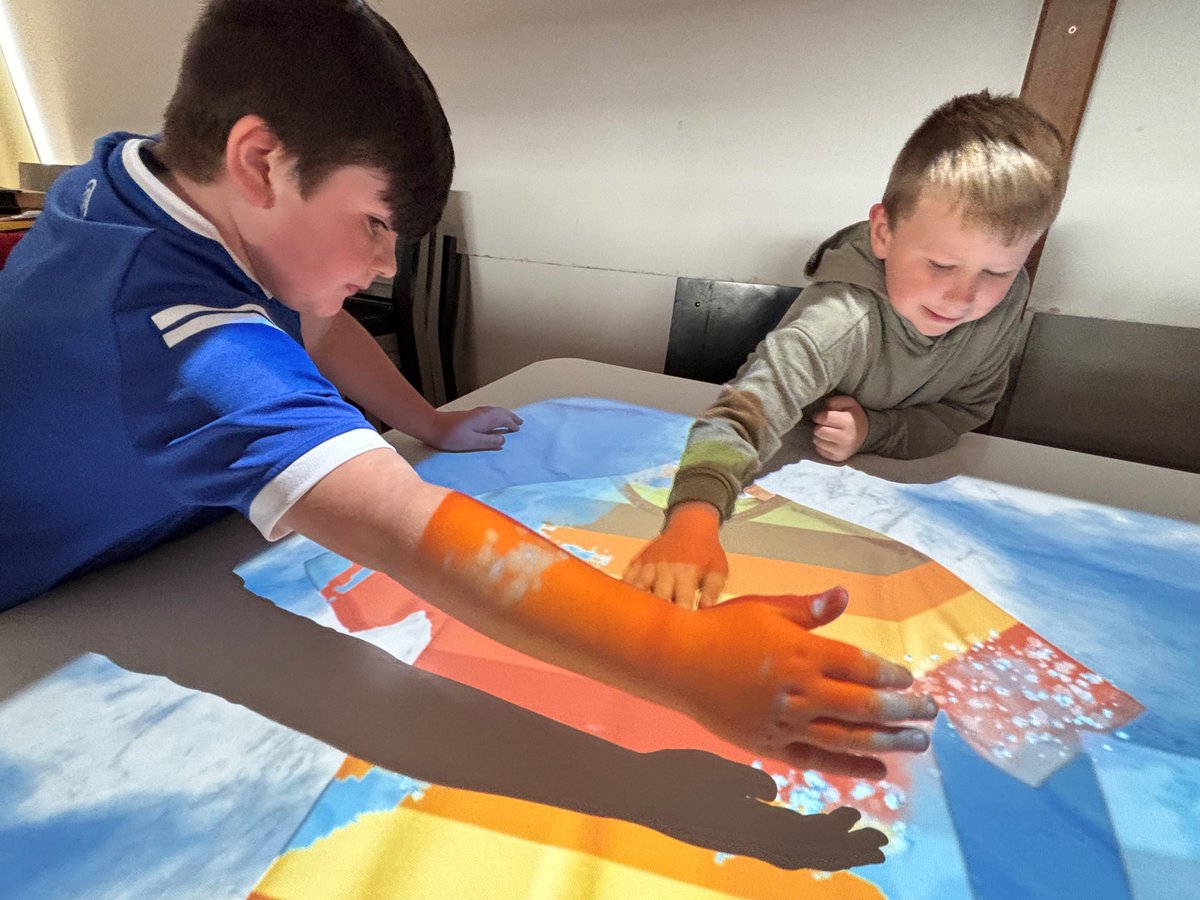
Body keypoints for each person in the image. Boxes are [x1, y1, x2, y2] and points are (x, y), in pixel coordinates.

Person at [0, 0, 935, 777]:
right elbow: (408, 526)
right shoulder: (181, 342)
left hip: (171, 561)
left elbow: (315, 323)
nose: (378, 268)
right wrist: (684, 659)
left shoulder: (140, 175)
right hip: (43, 604)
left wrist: (423, 419)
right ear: (260, 161)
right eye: (370, 223)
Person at [625, 91, 1069, 609]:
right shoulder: (840, 321)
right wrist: (692, 523)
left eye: (997, 271)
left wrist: (873, 432)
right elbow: (741, 416)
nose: (964, 297)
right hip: (780, 486)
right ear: (883, 233)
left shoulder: (1004, 305)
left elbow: (965, 412)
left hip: (888, 506)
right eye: (941, 265)